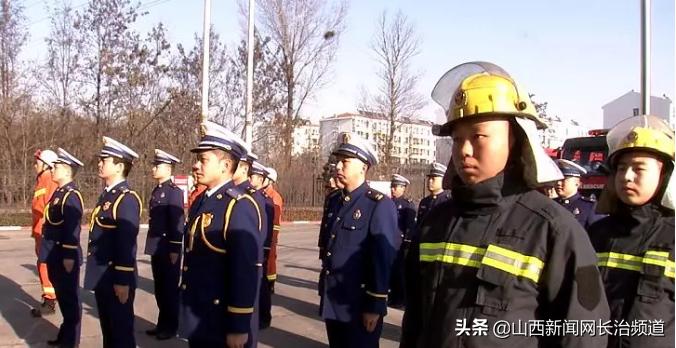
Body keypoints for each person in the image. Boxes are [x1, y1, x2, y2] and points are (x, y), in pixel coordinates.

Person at [400, 61, 609, 348]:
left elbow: (583, 335)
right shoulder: (435, 222)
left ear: (516, 138)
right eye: (458, 139)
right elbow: (415, 322)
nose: (464, 151)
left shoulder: (554, 230)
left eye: (479, 136)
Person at [588, 115, 675, 348]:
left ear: (664, 176)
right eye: (622, 168)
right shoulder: (597, 234)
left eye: (638, 169)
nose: (626, 176)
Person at [179, 121, 262, 348]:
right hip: (200, 312)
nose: (196, 166)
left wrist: (238, 324)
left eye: (203, 160)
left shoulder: (238, 206)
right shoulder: (201, 202)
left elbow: (245, 269)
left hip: (220, 319)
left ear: (225, 165)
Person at [319, 133, 400, 348]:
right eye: (338, 161)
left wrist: (375, 304)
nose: (337, 166)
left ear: (363, 167)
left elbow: (382, 258)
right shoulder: (336, 200)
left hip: (359, 303)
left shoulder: (378, 205)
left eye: (345, 162)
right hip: (335, 299)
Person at [83, 137, 141, 348]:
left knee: (121, 335)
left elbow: (126, 243)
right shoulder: (108, 196)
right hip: (103, 276)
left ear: (119, 166)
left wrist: (122, 280)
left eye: (105, 160)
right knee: (109, 333)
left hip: (115, 277)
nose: (99, 163)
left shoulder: (125, 198)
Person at [39, 148, 84, 347]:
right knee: (65, 301)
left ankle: (71, 341)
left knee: (70, 301)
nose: (53, 169)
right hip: (54, 254)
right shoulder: (59, 193)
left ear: (66, 171)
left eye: (56, 166)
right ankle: (65, 336)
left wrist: (67, 255)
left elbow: (71, 230)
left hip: (65, 256)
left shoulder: (71, 195)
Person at [144, 149, 185, 340]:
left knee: (169, 289)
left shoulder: (173, 192)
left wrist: (175, 248)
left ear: (168, 168)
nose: (153, 168)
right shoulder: (158, 190)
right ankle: (162, 323)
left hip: (168, 248)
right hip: (157, 247)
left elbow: (177, 223)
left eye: (157, 165)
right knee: (160, 289)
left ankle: (171, 326)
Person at [31, 149, 59, 317]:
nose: (35, 165)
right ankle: (49, 297)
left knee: (44, 266)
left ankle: (50, 300)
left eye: (38, 162)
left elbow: (50, 210)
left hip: (44, 232)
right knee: (42, 265)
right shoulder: (41, 180)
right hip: (39, 231)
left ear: (46, 165)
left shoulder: (49, 181)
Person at [248, 160, 273, 329]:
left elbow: (267, 228)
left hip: (259, 249)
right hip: (249, 248)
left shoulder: (265, 201)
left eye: (254, 176)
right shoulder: (247, 197)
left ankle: (264, 317)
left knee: (262, 286)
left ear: (261, 179)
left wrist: (264, 250)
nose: (250, 179)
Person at [389, 174, 416, 308]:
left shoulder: (407, 204)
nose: (393, 189)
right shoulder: (388, 203)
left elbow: (409, 226)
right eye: (392, 186)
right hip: (389, 243)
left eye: (396, 187)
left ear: (403, 188)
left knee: (400, 272)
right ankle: (392, 296)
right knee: (391, 271)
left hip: (400, 245)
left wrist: (407, 243)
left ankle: (400, 298)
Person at [554, 159, 604, 229]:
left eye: (564, 179)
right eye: (557, 180)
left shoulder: (589, 207)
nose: (558, 183)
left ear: (577, 183)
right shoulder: (550, 204)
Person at [263, 167, 283, 294]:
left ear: (269, 181)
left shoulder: (275, 197)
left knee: (270, 257)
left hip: (270, 232)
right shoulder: (263, 194)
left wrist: (272, 237)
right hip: (264, 231)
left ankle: (270, 283)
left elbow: (275, 221)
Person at [416, 162, 452, 226]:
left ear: (442, 180)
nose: (430, 181)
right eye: (429, 178)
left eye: (433, 179)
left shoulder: (447, 201)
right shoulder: (424, 202)